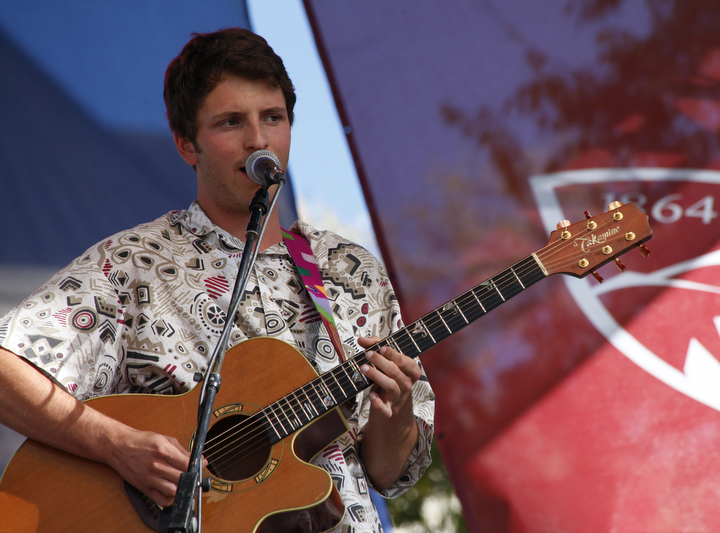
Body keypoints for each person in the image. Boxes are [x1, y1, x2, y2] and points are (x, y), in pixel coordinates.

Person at [0, 27, 434, 532]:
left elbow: (386, 470)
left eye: (273, 117)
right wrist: (120, 446)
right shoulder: (134, 262)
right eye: (232, 122)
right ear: (188, 145)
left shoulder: (349, 271)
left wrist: (395, 408)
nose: (258, 139)